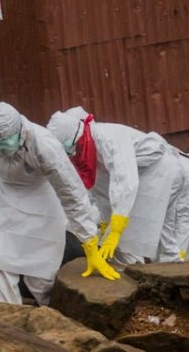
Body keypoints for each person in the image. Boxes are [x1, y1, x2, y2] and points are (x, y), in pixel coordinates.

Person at [0, 101, 113, 304]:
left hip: (40, 198)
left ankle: (51, 314)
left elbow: (71, 192)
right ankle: (8, 320)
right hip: (1, 195)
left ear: (21, 135)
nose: (2, 152)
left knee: (41, 267)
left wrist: (89, 241)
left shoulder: (45, 145)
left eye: (7, 146)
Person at [45, 107, 179, 266]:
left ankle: (161, 274)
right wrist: (106, 223)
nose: (70, 152)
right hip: (136, 178)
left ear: (77, 135)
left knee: (139, 236)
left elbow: (125, 181)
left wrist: (115, 230)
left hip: (155, 172)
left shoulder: (109, 137)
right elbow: (103, 191)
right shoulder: (85, 151)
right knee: (123, 240)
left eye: (69, 146)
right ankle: (131, 274)